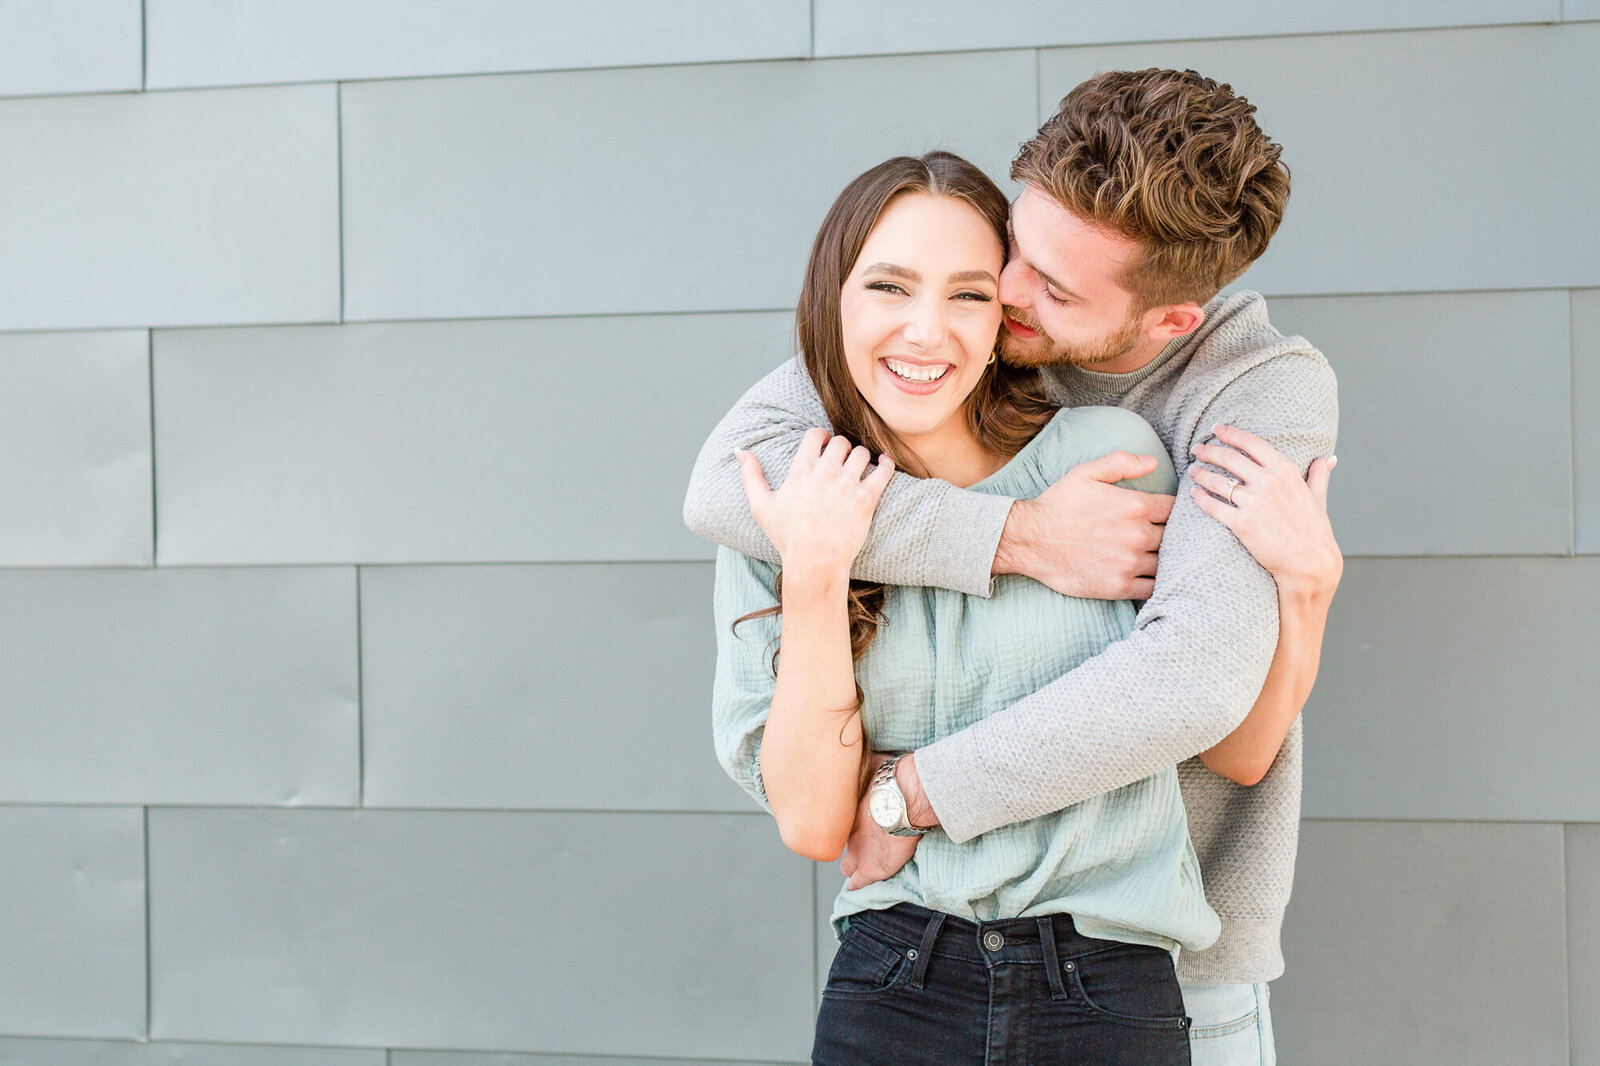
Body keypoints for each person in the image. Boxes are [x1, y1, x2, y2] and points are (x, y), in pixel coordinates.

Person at [687, 69, 1339, 1065]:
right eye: (1013, 251)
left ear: (1170, 322)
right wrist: (1016, 537)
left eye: (1052, 288)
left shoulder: (1238, 395)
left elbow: (1197, 689)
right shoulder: (942, 334)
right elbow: (728, 485)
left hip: (1166, 952)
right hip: (915, 954)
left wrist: (910, 794)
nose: (1003, 297)